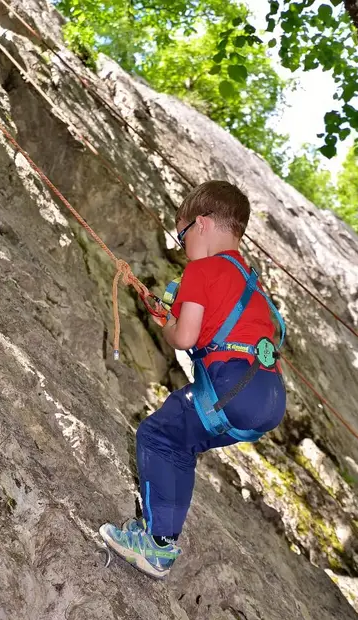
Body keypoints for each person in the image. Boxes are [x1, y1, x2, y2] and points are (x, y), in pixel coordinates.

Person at [100, 180, 287, 579]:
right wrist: (174, 317)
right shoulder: (249, 279)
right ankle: (159, 535)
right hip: (268, 396)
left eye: (181, 235)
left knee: (157, 435)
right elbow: (221, 330)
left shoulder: (201, 270)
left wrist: (168, 327)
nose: (181, 246)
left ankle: (156, 546)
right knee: (180, 441)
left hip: (233, 389)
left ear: (201, 224)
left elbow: (184, 338)